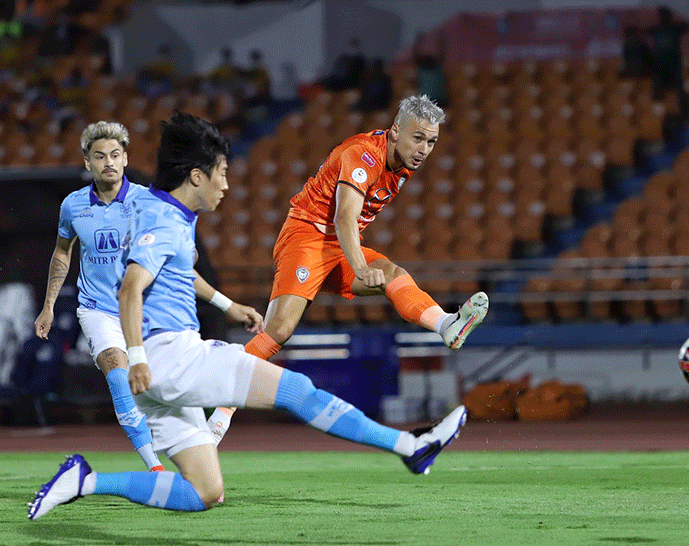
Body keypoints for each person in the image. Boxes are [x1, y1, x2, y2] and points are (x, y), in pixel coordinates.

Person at [27, 111, 467, 520]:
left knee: (204, 493)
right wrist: (138, 356)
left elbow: (170, 270)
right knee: (298, 390)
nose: (226, 185)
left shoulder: (162, 210)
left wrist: (226, 305)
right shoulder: (164, 219)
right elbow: (130, 290)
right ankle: (412, 445)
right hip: (173, 357)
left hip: (159, 376)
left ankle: (86, 481)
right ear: (196, 176)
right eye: (220, 174)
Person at [33, 120, 257, 474]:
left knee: (168, 388)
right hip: (98, 311)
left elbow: (177, 267)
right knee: (121, 381)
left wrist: (229, 305)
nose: (109, 162)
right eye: (100, 155)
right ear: (87, 162)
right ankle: (154, 468)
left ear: (125, 159)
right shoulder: (73, 206)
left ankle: (215, 424)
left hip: (142, 311)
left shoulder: (148, 203)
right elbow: (62, 253)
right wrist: (48, 306)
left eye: (116, 154)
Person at [243, 94, 489, 367]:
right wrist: (360, 268)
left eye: (431, 142)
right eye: (418, 138)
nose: (424, 149)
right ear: (395, 130)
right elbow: (344, 217)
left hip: (337, 245)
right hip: (307, 236)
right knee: (279, 331)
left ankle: (446, 324)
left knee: (393, 274)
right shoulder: (365, 154)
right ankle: (217, 377)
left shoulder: (404, 162)